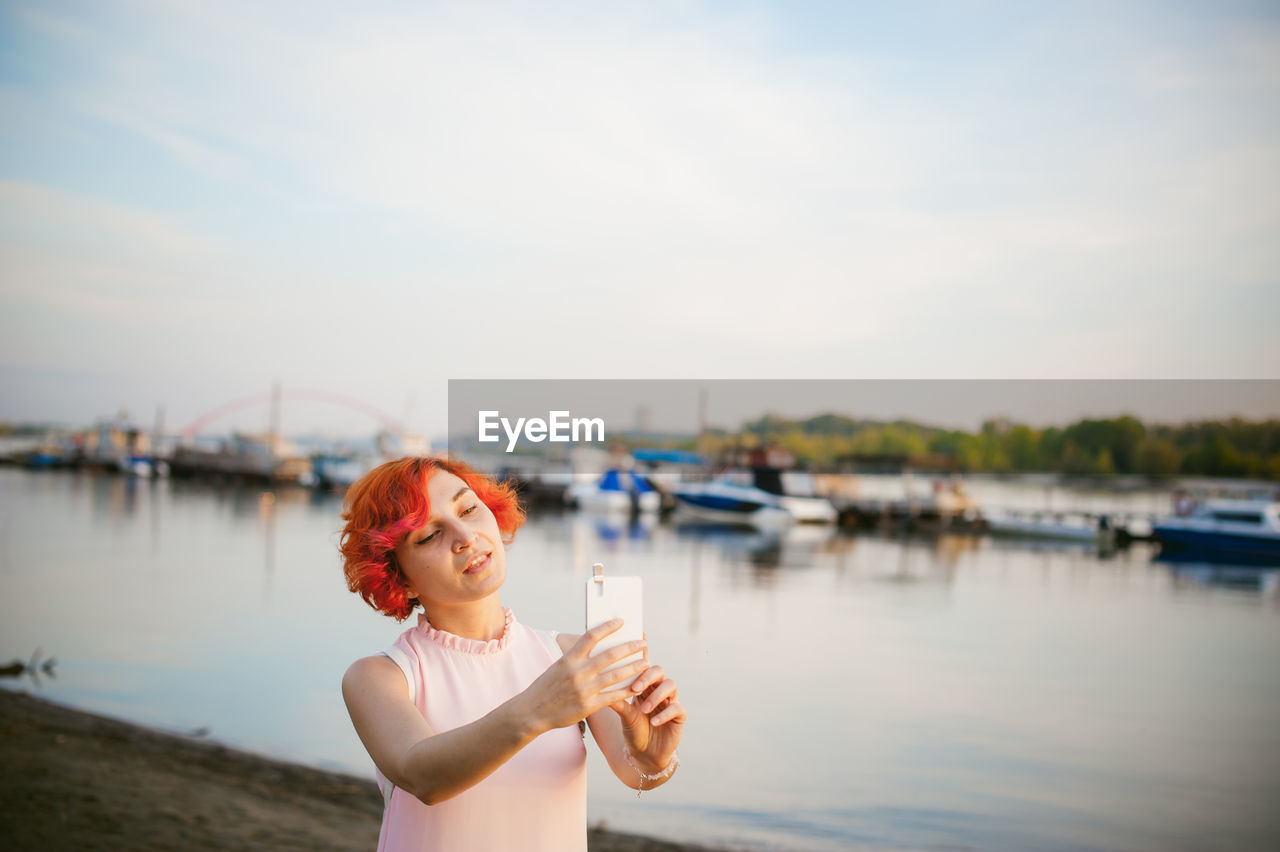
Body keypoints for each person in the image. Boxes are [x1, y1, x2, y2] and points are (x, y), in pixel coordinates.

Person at [339, 456, 685, 851]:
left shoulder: (568, 656)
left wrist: (654, 758)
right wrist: (538, 708)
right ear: (400, 578)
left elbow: (634, 772)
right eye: (429, 535)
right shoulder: (381, 677)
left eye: (468, 509)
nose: (465, 536)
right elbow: (422, 776)